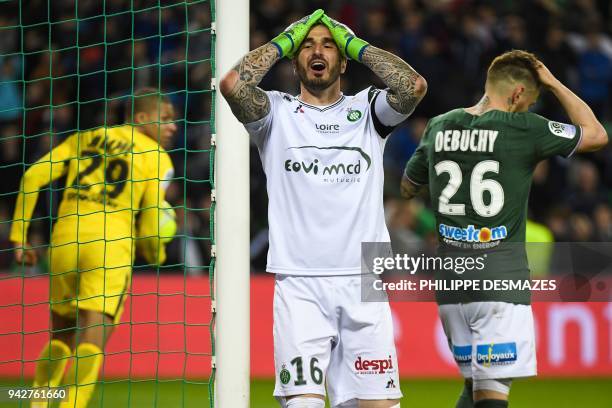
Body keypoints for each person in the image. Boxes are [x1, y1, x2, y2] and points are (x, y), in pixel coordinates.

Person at [220, 9, 426, 408]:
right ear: (296, 61)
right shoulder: (275, 114)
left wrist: (356, 43)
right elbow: (232, 84)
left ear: (342, 61)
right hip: (299, 285)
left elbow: (413, 87)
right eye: (308, 46)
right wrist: (283, 40)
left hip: (364, 280)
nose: (318, 51)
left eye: (329, 45)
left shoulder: (368, 111)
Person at [401, 50, 607, 408]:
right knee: (492, 397)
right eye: (530, 100)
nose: (529, 107)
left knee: (473, 385)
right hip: (500, 282)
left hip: (451, 285)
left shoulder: (439, 124)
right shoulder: (523, 128)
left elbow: (407, 186)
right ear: (517, 94)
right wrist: (555, 83)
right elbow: (596, 135)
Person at [10, 87, 177, 408]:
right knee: (93, 338)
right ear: (141, 118)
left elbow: (31, 177)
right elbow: (153, 220)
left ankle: (39, 403)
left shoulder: (85, 138)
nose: (173, 127)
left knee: (61, 336)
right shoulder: (158, 159)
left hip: (65, 240)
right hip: (110, 244)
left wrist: (19, 237)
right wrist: (157, 254)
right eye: (166, 119)